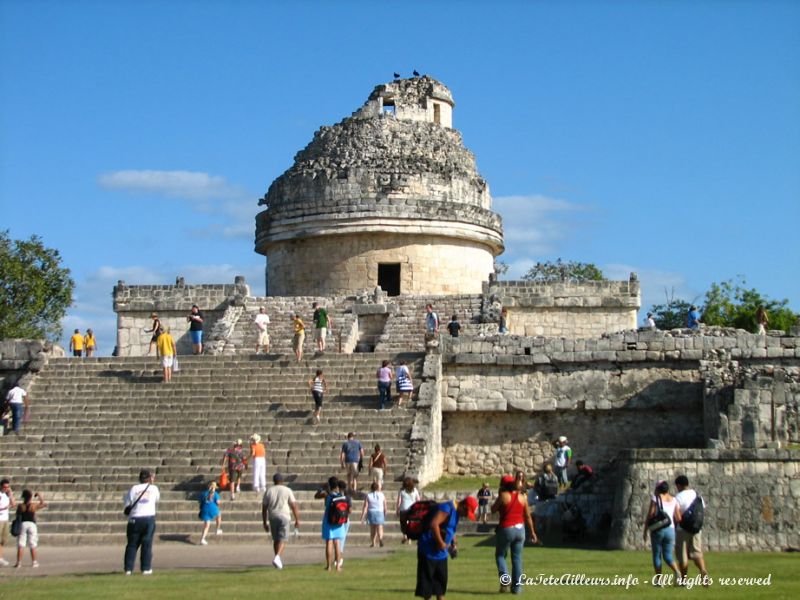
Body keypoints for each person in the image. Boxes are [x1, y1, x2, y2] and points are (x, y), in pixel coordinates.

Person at [415, 496, 478, 600]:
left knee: (440, 588)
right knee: (427, 590)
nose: (466, 516)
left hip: (441, 555)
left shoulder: (456, 513)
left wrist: (453, 543)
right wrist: (440, 543)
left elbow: (450, 529)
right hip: (428, 552)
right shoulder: (446, 508)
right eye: (467, 513)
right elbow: (434, 524)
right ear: (463, 506)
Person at [493, 475, 537, 594]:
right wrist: (532, 532)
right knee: (517, 558)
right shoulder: (522, 496)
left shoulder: (503, 495)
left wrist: (499, 497)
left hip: (506, 528)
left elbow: (493, 509)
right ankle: (517, 589)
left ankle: (505, 579)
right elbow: (528, 516)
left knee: (500, 555)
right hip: (520, 529)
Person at [643, 480, 682, 585]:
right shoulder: (674, 500)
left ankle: (659, 580)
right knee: (668, 555)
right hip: (671, 529)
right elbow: (678, 518)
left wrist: (646, 528)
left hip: (658, 529)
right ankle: (676, 571)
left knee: (657, 555)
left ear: (658, 489)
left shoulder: (656, 498)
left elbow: (650, 514)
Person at [123, 469, 159, 575]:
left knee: (132, 544)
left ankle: (128, 568)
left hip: (135, 518)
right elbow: (156, 499)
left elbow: (128, 503)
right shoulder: (154, 488)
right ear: (149, 478)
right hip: (148, 518)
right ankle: (146, 568)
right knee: (147, 544)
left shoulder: (134, 488)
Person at [262, 472, 301, 569]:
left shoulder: (269, 491)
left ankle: (277, 561)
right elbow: (293, 505)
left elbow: (264, 508)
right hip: (284, 516)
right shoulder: (287, 490)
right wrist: (297, 519)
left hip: (273, 516)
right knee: (283, 539)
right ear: (282, 481)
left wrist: (264, 522)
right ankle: (278, 556)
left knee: (276, 539)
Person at [674, 475, 709, 582]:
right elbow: (701, 511)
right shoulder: (697, 496)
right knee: (697, 552)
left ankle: (684, 580)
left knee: (682, 556)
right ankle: (703, 570)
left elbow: (677, 515)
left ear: (679, 485)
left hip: (682, 529)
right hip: (696, 528)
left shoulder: (678, 497)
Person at [317, 477, 349, 571]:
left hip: (328, 520)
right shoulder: (341, 495)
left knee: (329, 542)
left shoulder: (327, 495)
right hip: (339, 521)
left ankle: (329, 566)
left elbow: (316, 495)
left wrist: (322, 488)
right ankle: (338, 566)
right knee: (337, 543)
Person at [14, 489, 46, 568]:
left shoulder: (21, 506)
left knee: (21, 544)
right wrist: (40, 496)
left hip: (23, 524)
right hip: (32, 524)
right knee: (32, 544)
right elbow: (43, 504)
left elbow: (17, 515)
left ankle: (19, 562)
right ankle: (34, 562)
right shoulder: (33, 506)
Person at [360, 481, 387, 548]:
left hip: (371, 512)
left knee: (372, 528)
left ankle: (373, 542)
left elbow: (365, 506)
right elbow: (385, 505)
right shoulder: (382, 495)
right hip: (380, 512)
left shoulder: (368, 495)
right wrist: (385, 513)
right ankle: (380, 538)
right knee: (380, 527)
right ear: (378, 488)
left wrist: (363, 516)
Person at [397, 477, 422, 544]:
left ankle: (405, 535)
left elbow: (399, 501)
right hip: (412, 509)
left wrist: (397, 509)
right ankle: (409, 539)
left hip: (403, 509)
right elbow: (418, 500)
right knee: (410, 523)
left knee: (403, 524)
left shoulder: (401, 490)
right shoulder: (415, 490)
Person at [197, 481, 222, 545]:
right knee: (219, 515)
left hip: (204, 510)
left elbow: (199, 501)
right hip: (213, 509)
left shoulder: (203, 493)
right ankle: (217, 529)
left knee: (207, 525)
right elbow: (218, 503)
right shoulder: (216, 494)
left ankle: (202, 539)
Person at [0, 479, 17, 566]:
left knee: (3, 540)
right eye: (4, 487)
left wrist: (10, 494)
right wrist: (5, 507)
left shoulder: (7, 494)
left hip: (5, 519)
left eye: (7, 487)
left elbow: (14, 504)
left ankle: (0, 557)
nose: (6, 488)